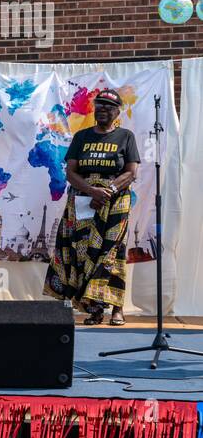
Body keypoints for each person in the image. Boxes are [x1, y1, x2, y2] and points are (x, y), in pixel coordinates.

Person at [44, 88, 140, 326]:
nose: (103, 110)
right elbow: (70, 172)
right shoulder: (82, 137)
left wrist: (106, 192)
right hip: (83, 200)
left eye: (109, 106)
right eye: (99, 105)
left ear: (117, 111)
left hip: (115, 201)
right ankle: (94, 309)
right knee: (83, 251)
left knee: (111, 252)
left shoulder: (126, 136)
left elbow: (131, 172)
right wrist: (91, 191)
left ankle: (117, 308)